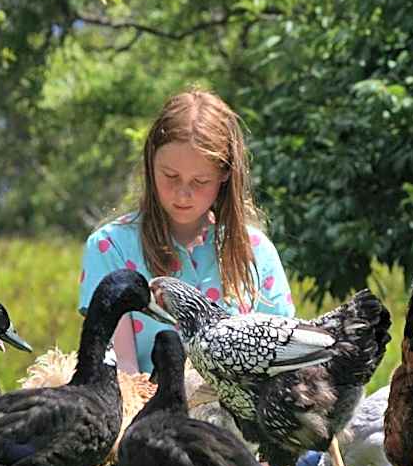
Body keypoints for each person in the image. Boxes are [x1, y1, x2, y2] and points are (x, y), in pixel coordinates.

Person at [78, 88, 295, 374]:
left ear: (225, 174)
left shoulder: (257, 252)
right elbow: (120, 370)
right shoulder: (110, 247)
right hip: (146, 414)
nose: (183, 194)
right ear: (150, 162)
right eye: (170, 176)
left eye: (200, 181)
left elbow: (281, 359)